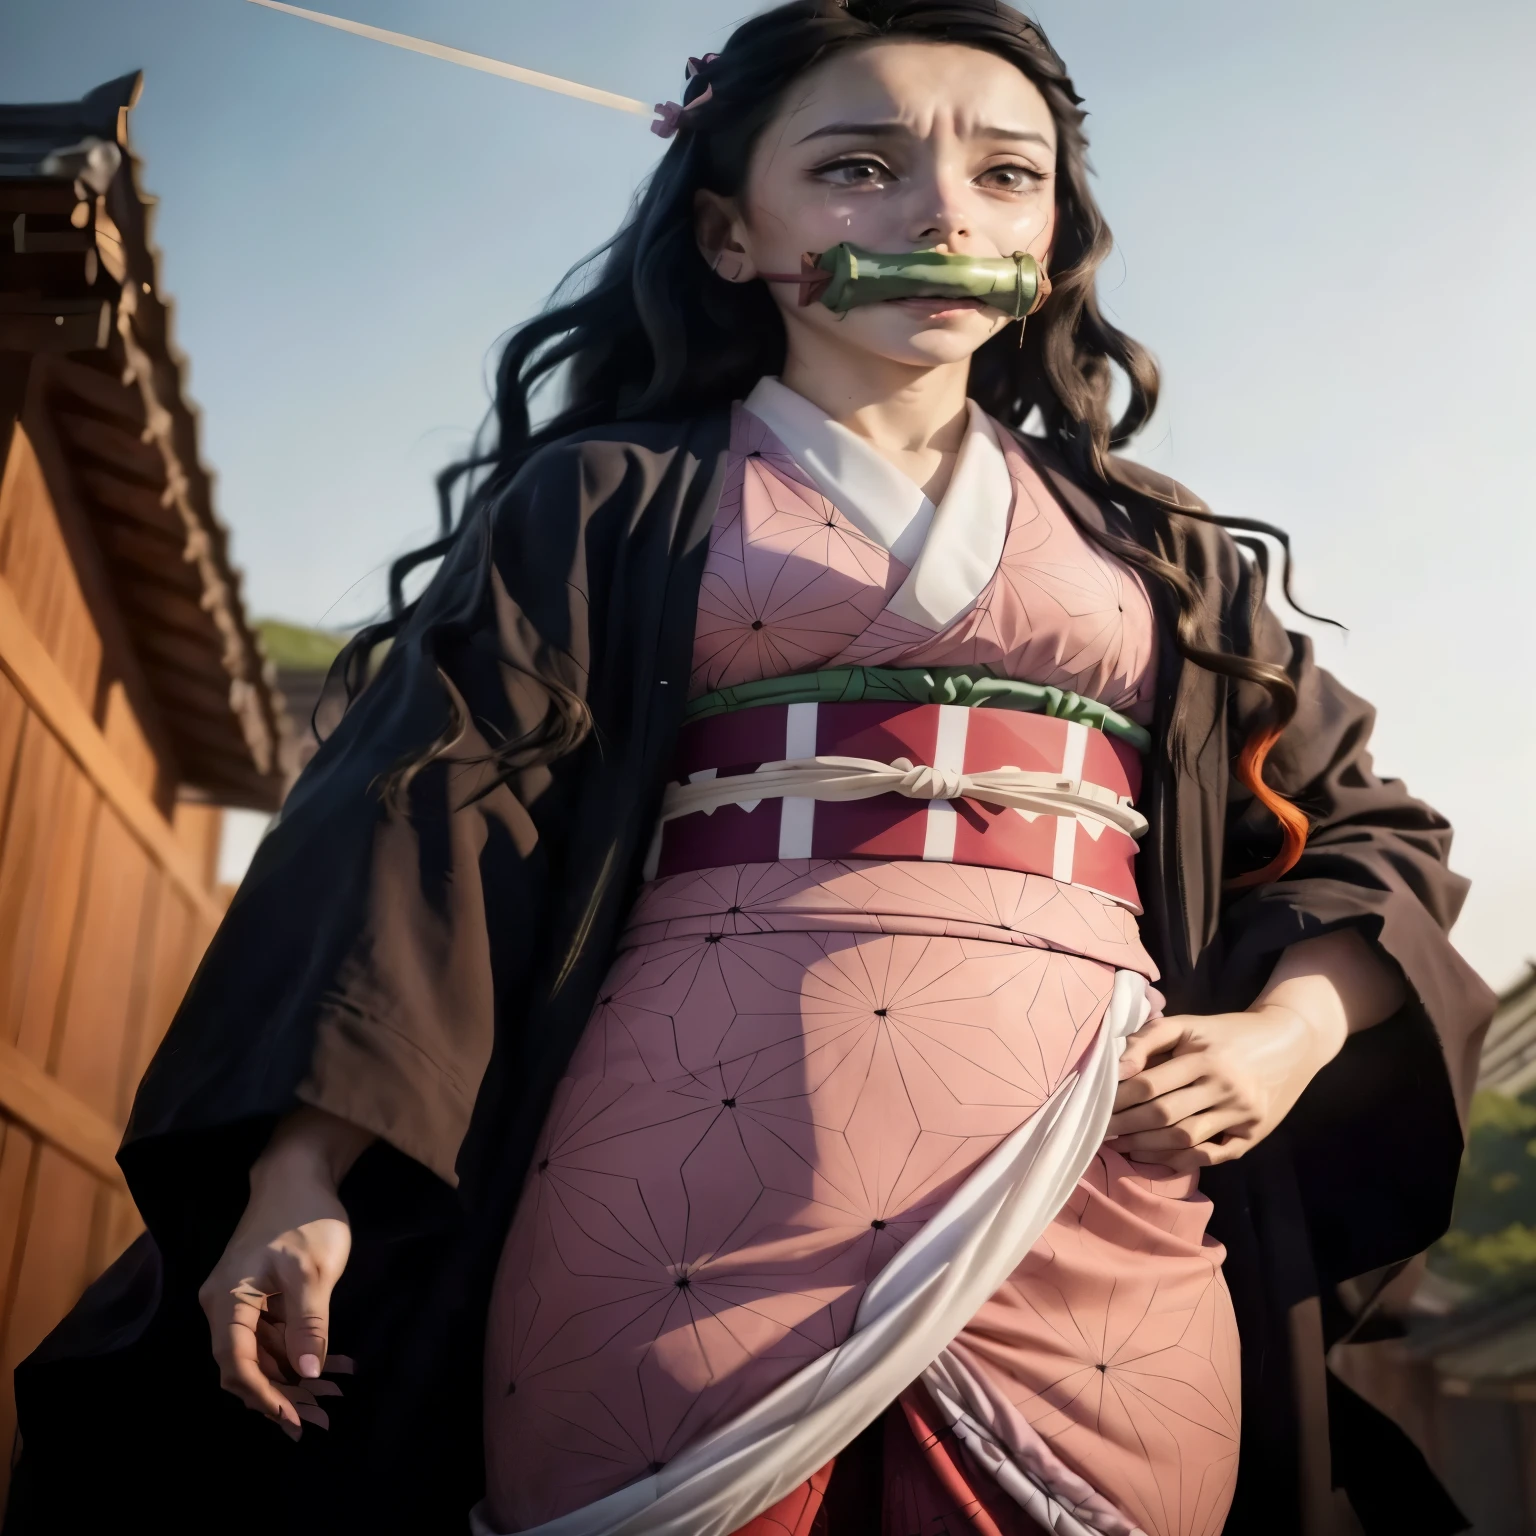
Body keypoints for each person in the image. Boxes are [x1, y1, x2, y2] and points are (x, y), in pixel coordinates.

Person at [9, 4, 1494, 1534]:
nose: (939, 215)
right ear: (730, 233)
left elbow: (1366, 830)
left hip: (1092, 1156)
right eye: (860, 169)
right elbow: (420, 832)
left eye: (1006, 178)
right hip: (680, 1143)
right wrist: (298, 1174)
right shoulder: (602, 502)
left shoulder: (1162, 550)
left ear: (1049, 243)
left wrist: (1289, 1035)